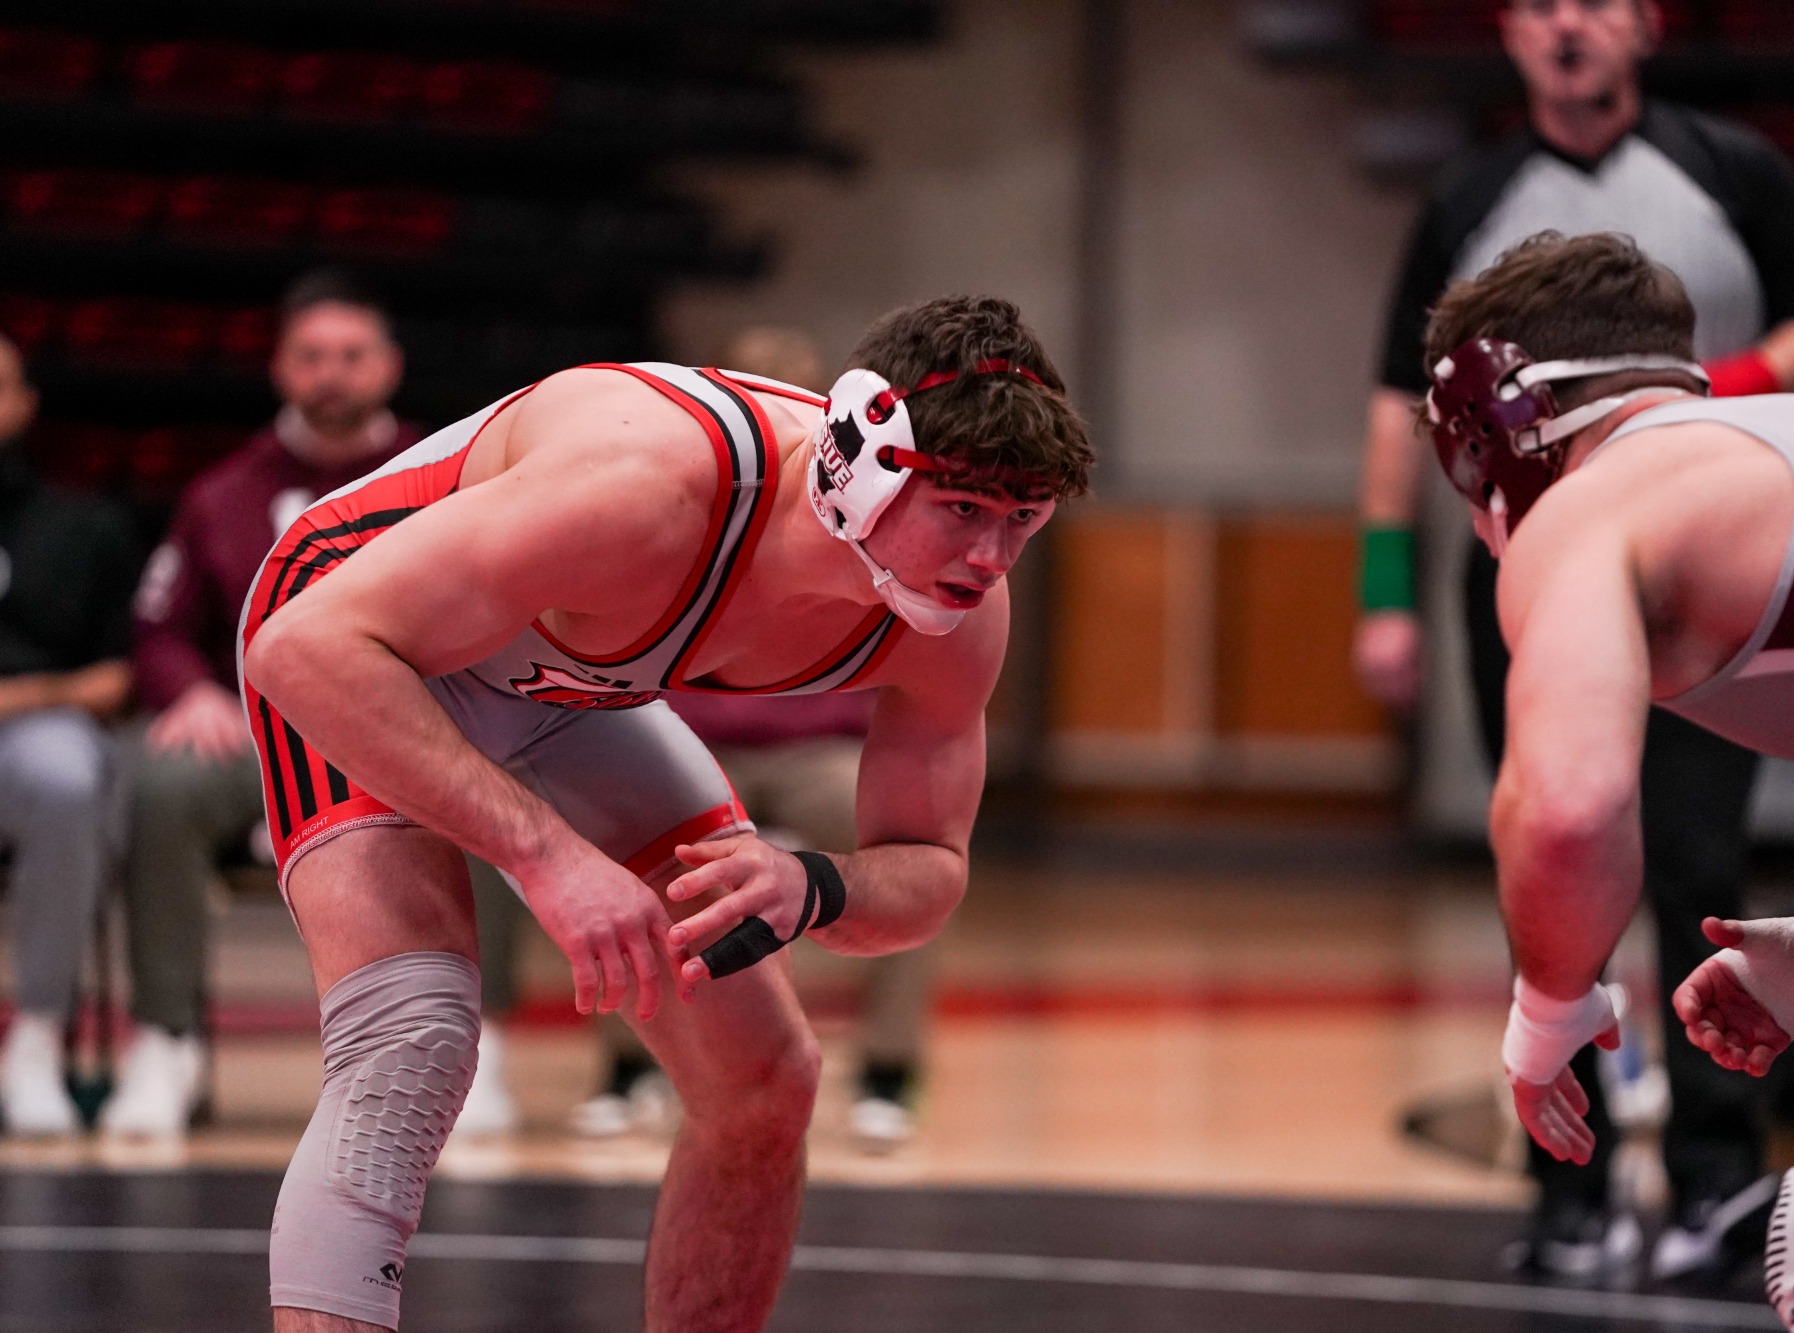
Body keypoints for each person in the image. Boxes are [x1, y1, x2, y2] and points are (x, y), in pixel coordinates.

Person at [238, 294, 1090, 1331]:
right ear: (858, 459)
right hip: (359, 643)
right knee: (413, 1035)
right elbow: (301, 650)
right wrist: (546, 856)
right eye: (963, 509)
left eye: (1023, 520)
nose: (991, 560)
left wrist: (816, 885)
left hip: (568, 687)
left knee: (765, 1078)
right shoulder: (645, 485)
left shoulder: (951, 621)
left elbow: (927, 873)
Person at [1353, 0, 1794, 1280]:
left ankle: (1711, 1182)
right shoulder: (1471, 191)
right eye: (1538, 7)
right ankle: (1566, 1188)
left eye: (1593, 3)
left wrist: (1659, 411)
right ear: (1510, 35)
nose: (1565, 27)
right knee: (1546, 855)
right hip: (1523, 558)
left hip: (1700, 570)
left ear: (1643, 27)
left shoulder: (1732, 169)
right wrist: (1383, 589)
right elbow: (1388, 405)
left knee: (1696, 867)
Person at [1419, 229, 1794, 1333]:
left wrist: (1549, 1014)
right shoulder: (1787, 454)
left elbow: (1565, 807)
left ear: (1505, 429)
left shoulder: (1597, 504)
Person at [105, 272, 523, 1138]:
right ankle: (164, 1042)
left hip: (403, 731)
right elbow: (160, 628)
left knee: (496, 778)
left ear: (389, 365)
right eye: (311, 357)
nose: (331, 373)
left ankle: (479, 1045)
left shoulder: (453, 474)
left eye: (351, 355)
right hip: (263, 740)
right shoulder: (221, 493)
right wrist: (188, 693)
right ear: (280, 369)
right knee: (162, 782)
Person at [570, 326, 938, 1151]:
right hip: (698, 746)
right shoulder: (673, 502)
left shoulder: (875, 522)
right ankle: (633, 1068)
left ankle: (888, 1070)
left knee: (909, 846)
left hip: (820, 752)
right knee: (633, 842)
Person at [0, 333, 143, 1137]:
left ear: (23, 405)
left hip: (32, 734)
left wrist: (21, 695)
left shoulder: (83, 525)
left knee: (67, 776)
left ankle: (37, 1035)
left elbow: (117, 678)